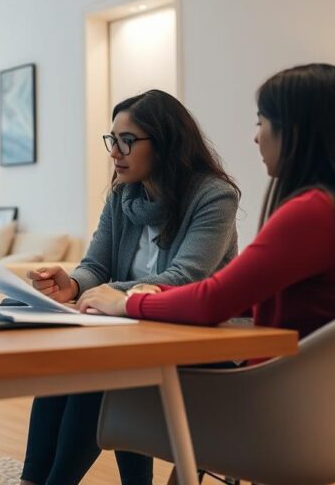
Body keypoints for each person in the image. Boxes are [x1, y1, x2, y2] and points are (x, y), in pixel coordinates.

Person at [78, 64, 335, 485]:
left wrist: (128, 301)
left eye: (262, 122)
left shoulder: (312, 214)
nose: (255, 136)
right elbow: (235, 296)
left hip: (272, 416)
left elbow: (211, 299)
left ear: (297, 131)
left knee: (94, 382)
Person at [20, 90, 241, 485]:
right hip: (133, 339)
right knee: (67, 368)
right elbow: (96, 266)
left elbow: (183, 278)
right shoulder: (124, 196)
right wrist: (71, 285)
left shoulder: (213, 196)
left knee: (96, 370)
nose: (115, 152)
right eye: (112, 140)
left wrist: (107, 294)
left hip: (197, 344)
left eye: (127, 141)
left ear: (166, 143)